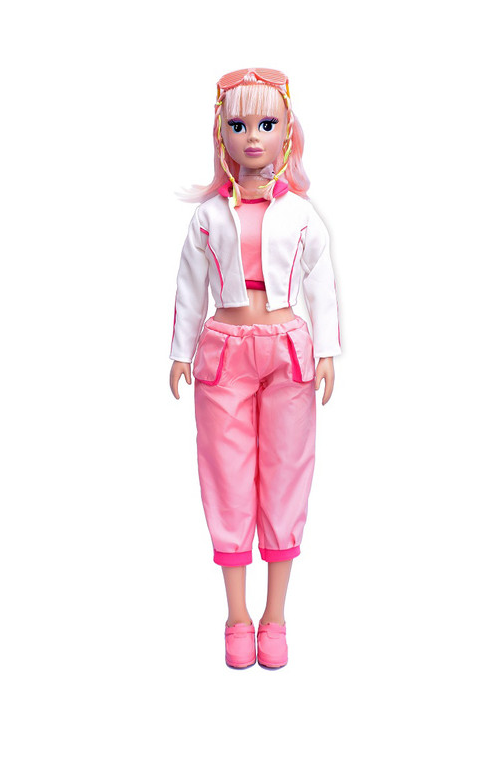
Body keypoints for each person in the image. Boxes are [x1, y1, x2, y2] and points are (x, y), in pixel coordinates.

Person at [169, 68, 341, 669]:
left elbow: (321, 284)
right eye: (239, 124)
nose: (252, 137)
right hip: (224, 349)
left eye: (266, 124)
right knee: (227, 474)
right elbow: (189, 286)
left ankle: (276, 615)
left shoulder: (301, 214)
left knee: (287, 473)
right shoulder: (210, 216)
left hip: (288, 348)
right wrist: (180, 351)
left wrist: (327, 350)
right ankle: (237, 616)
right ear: (221, 132)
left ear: (287, 130)